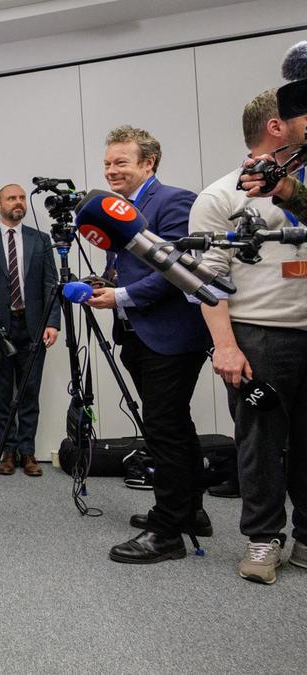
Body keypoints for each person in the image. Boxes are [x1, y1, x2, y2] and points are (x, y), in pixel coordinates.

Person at [85, 126, 212, 564]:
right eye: (107, 163)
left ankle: (167, 531)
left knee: (163, 427)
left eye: (121, 162)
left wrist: (120, 296)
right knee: (173, 423)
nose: (111, 170)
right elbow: (127, 266)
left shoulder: (175, 200)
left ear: (148, 163)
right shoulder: (118, 209)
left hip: (172, 335)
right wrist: (103, 284)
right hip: (136, 332)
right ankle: (191, 510)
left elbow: (179, 269)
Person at [197, 88, 307, 584]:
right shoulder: (221, 195)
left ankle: (306, 537)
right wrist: (224, 344)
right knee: (260, 443)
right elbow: (207, 278)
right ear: (277, 127)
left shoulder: (299, 192)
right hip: (260, 336)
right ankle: (263, 539)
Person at [0, 184, 59, 479]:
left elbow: (50, 284)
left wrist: (53, 322)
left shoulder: (41, 240)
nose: (18, 202)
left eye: (20, 198)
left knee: (30, 392)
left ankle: (28, 452)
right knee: (3, 393)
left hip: (34, 328)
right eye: (11, 198)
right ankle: (8, 451)